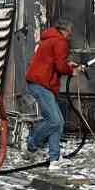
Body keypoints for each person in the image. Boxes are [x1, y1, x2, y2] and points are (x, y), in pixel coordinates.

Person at [25, 19, 83, 165]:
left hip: (41, 83)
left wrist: (67, 64)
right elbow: (60, 66)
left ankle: (54, 158)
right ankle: (32, 144)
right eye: (70, 32)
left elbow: (54, 61)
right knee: (54, 121)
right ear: (65, 30)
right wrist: (72, 70)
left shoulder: (50, 39)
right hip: (42, 84)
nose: (71, 36)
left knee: (59, 122)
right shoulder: (60, 41)